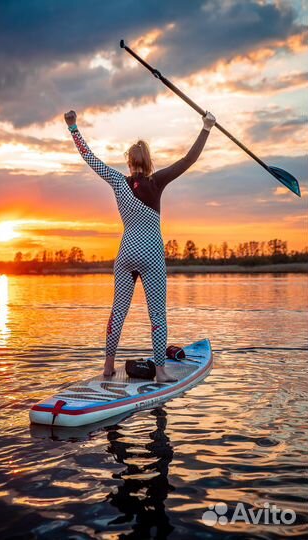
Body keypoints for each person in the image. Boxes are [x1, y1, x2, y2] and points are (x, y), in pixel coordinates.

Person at [64, 109, 216, 382]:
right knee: (157, 313)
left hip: (125, 253)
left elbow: (89, 157)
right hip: (151, 254)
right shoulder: (157, 181)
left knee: (118, 311)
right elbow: (189, 160)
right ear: (148, 163)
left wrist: (73, 127)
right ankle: (160, 370)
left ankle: (108, 367)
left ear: (129, 162)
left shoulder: (117, 181)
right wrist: (206, 127)